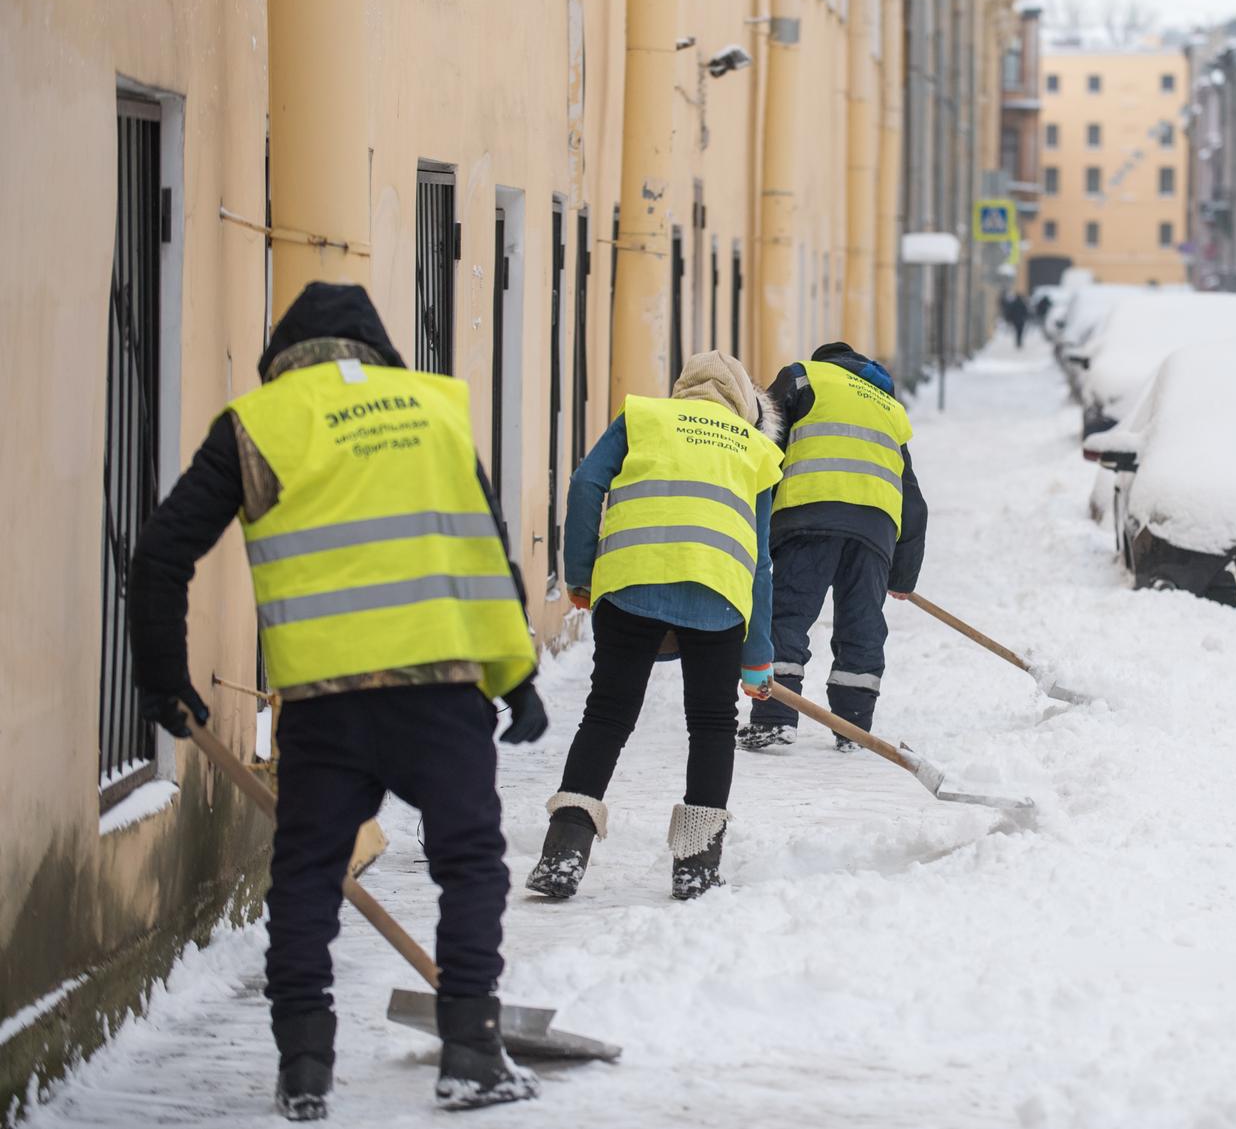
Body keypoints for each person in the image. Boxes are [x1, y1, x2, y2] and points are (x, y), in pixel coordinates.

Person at [127, 283, 548, 1120]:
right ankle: (471, 1049)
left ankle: (304, 1068)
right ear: (376, 345)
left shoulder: (260, 421)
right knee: (469, 864)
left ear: (285, 353)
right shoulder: (435, 409)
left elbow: (162, 553)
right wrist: (517, 675)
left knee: (308, 878)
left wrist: (164, 679)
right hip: (441, 691)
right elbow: (484, 546)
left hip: (324, 704)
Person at [527, 351, 784, 902]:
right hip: (717, 593)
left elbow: (584, 484)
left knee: (607, 715)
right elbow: (761, 561)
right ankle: (696, 865)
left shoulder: (643, 417)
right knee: (713, 724)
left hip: (631, 582)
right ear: (745, 405)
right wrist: (757, 655)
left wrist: (580, 573)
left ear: (682, 391)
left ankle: (563, 853)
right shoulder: (757, 449)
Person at [737, 342, 927, 752]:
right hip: (875, 527)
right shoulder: (889, 406)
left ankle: (774, 718)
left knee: (786, 615)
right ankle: (852, 726)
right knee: (862, 624)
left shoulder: (802, 377)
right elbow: (913, 500)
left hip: (809, 515)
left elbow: (765, 445)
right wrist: (902, 576)